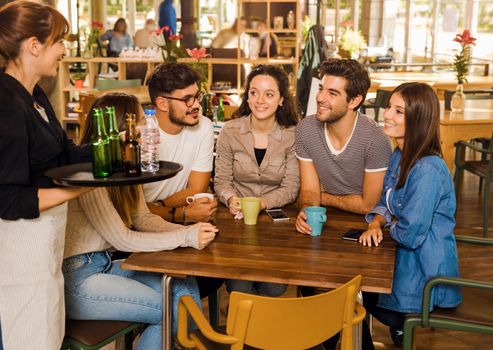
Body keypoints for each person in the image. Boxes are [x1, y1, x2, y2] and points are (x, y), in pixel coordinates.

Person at [0, 1, 91, 349]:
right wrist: (82, 188)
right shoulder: (3, 108)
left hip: (40, 253)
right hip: (10, 257)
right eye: (59, 41)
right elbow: (8, 200)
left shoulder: (33, 96)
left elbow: (66, 155)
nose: (64, 50)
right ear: (34, 46)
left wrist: (116, 154)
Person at [63, 93, 218, 350]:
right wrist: (186, 237)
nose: (148, 127)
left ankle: (154, 343)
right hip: (79, 276)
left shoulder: (126, 164)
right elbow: (121, 238)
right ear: (121, 129)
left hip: (105, 264)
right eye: (139, 121)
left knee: (182, 283)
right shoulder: (89, 173)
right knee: (171, 311)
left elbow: (142, 218)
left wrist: (191, 230)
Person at [355, 82, 462, 348]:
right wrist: (377, 222)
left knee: (348, 298)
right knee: (350, 293)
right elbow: (385, 202)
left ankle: (396, 330)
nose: (387, 114)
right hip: (403, 263)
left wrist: (388, 224)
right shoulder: (400, 155)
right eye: (389, 106)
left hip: (423, 279)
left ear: (419, 119)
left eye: (399, 111)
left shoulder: (427, 169)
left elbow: (411, 235)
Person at [214, 64, 299, 297]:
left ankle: (263, 331)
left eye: (269, 94)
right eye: (254, 92)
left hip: (277, 228)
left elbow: (291, 188)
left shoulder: (292, 135)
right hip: (237, 225)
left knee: (273, 286)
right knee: (238, 286)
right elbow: (221, 181)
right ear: (247, 96)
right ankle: (240, 333)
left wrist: (259, 203)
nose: (260, 100)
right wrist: (230, 199)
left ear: (281, 99)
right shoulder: (230, 131)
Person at [295, 58, 392, 236]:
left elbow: (368, 205)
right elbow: (309, 191)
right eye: (321, 89)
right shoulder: (305, 129)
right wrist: (306, 210)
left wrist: (323, 197)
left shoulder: (376, 140)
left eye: (332, 93)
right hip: (323, 220)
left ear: (354, 101)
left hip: (369, 227)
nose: (320, 98)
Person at [144, 63, 217, 225]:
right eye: (187, 99)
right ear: (162, 104)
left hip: (173, 220)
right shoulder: (141, 135)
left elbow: (197, 189)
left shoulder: (203, 126)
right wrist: (181, 214)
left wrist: (159, 207)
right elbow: (130, 210)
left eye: (197, 96)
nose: (196, 105)